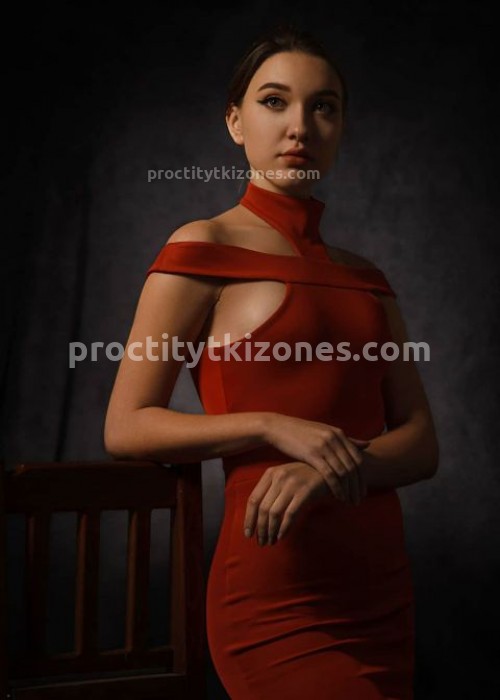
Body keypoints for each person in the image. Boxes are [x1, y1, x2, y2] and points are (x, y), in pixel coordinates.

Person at [104, 22, 439, 700]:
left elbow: (421, 443)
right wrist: (273, 426)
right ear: (235, 121)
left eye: (324, 107)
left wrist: (326, 470)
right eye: (274, 101)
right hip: (278, 593)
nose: (300, 127)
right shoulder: (202, 249)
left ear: (340, 128)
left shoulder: (366, 279)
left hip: (380, 593)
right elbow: (126, 425)